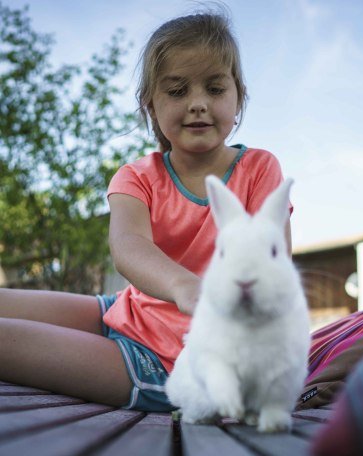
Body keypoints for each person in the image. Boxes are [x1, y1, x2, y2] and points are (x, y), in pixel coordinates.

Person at [0, 10, 291, 412]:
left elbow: (272, 262)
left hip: (170, 359)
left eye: (214, 87)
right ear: (150, 104)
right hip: (125, 309)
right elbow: (128, 245)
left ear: (238, 95)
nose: (198, 104)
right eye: (177, 91)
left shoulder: (260, 169)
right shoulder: (136, 176)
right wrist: (183, 286)